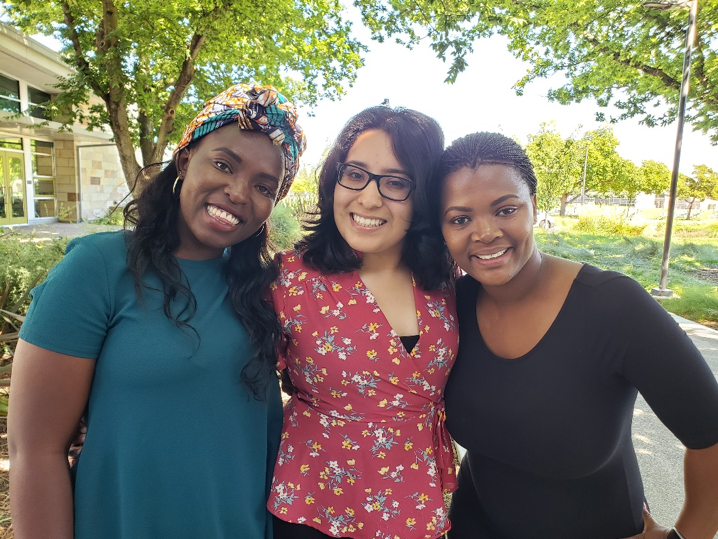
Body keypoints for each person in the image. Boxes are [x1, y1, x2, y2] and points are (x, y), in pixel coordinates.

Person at [8, 83, 306, 539]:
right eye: (224, 164)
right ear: (185, 159)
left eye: (264, 186)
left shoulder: (263, 292)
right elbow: (36, 450)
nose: (238, 192)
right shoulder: (98, 269)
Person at [435, 132, 718, 539]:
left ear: (534, 206)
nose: (484, 232)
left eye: (505, 209)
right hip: (474, 526)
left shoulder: (613, 306)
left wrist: (686, 536)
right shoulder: (451, 307)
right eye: (460, 218)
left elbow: (710, 436)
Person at [268, 106, 459, 539]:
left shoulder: (448, 281)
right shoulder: (287, 280)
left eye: (395, 182)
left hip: (416, 505)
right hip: (311, 508)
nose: (368, 199)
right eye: (355, 174)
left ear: (424, 194)